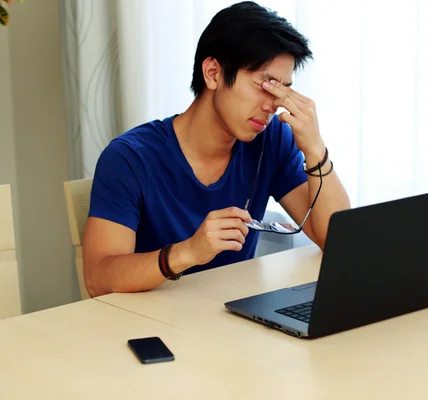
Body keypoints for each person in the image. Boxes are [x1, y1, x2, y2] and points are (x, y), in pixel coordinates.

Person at [83, 1, 350, 297]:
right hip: (147, 329)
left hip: (230, 325)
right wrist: (187, 252)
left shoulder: (270, 140)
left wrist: (315, 149)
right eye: (265, 85)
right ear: (212, 73)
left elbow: (339, 242)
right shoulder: (129, 158)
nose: (273, 105)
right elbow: (98, 279)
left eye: (282, 90)